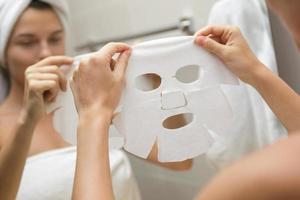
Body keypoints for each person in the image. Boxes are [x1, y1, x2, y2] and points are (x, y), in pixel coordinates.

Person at [70, 0, 300, 199]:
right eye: (31, 41)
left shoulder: (252, 183)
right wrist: (255, 71)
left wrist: (93, 114)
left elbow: (179, 159)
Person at [0, 1, 192, 199]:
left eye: (55, 38)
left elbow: (180, 161)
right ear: (3, 54)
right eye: (27, 42)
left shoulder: (90, 101)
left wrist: (159, 82)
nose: (45, 52)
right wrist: (26, 121)